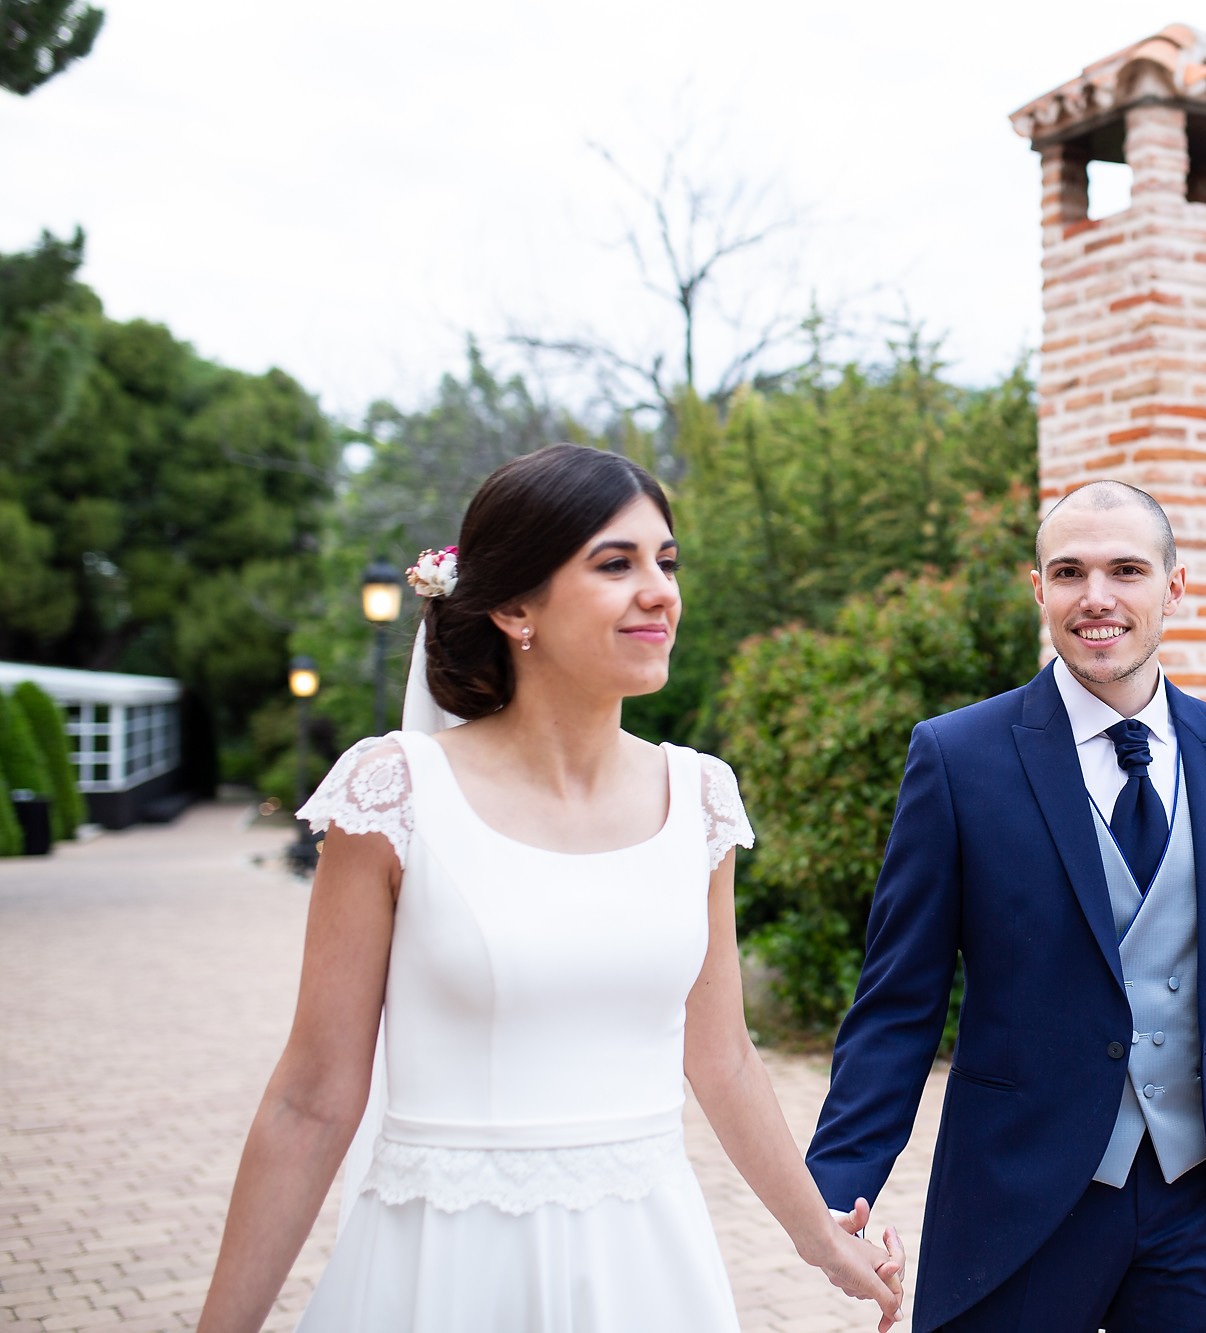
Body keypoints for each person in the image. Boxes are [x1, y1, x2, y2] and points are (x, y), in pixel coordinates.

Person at [198, 444, 904, 1333]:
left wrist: (822, 1238)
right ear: (514, 607)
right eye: (616, 563)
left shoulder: (700, 798)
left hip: (647, 1265)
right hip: (445, 1266)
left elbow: (721, 1056)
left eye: (667, 560)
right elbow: (312, 1097)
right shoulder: (395, 793)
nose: (660, 590)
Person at [805, 479, 1206, 1332]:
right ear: (1039, 589)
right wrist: (840, 1184)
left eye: (1126, 570)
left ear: (1174, 588)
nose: (1096, 597)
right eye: (1069, 572)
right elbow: (898, 999)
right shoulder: (957, 759)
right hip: (1015, 1204)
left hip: (1198, 1210)